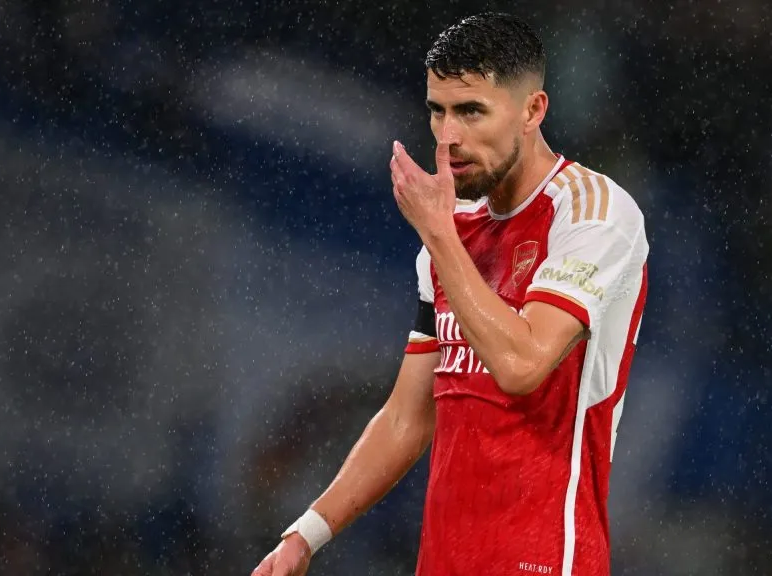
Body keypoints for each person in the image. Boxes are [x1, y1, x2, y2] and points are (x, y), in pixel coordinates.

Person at [252, 12, 649, 576]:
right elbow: (405, 418)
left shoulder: (594, 214)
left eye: (471, 112)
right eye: (437, 111)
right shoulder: (452, 230)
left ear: (533, 111)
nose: (448, 137)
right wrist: (306, 535)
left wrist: (438, 234)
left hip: (544, 559)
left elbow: (521, 364)